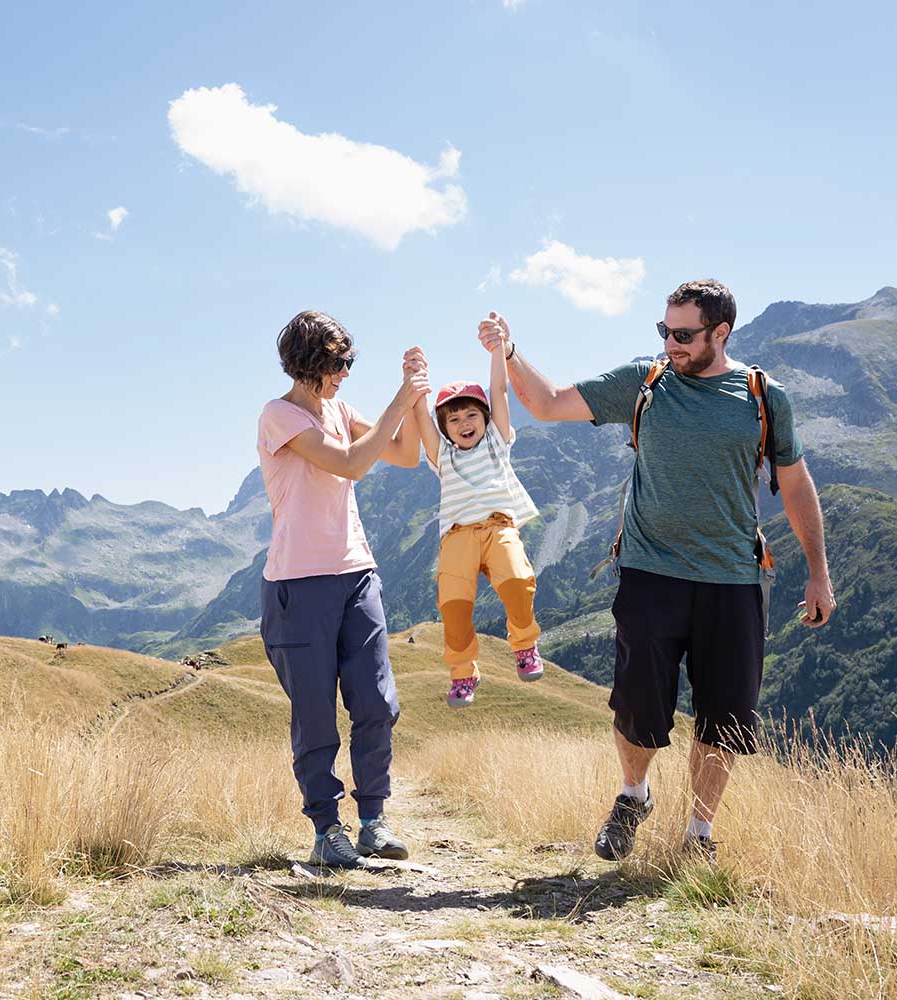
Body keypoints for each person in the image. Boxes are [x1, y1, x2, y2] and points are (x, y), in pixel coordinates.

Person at [479, 280, 837, 863]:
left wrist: (818, 573)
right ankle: (633, 795)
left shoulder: (762, 397)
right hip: (650, 573)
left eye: (684, 333)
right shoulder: (645, 383)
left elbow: (795, 482)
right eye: (664, 330)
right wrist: (511, 351)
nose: (671, 342)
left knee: (724, 720)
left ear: (720, 333)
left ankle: (699, 834)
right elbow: (546, 403)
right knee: (638, 707)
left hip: (734, 580)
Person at [257, 309, 430, 869]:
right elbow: (353, 464)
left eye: (348, 361)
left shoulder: (339, 408)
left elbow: (404, 454)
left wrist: (418, 394)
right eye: (337, 362)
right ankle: (326, 828)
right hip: (297, 585)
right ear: (307, 362)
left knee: (377, 702)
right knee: (315, 714)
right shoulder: (279, 416)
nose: (345, 373)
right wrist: (400, 399)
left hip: (357, 575)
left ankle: (373, 822)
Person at [411, 331, 542, 708]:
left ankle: (524, 644)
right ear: (444, 427)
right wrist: (416, 377)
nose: (464, 423)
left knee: (517, 580)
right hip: (457, 538)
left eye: (471, 414)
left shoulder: (498, 440)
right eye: (454, 419)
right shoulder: (442, 456)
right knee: (453, 606)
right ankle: (463, 674)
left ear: (484, 417)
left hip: (498, 527)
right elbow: (420, 416)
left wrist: (498, 349)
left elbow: (499, 391)